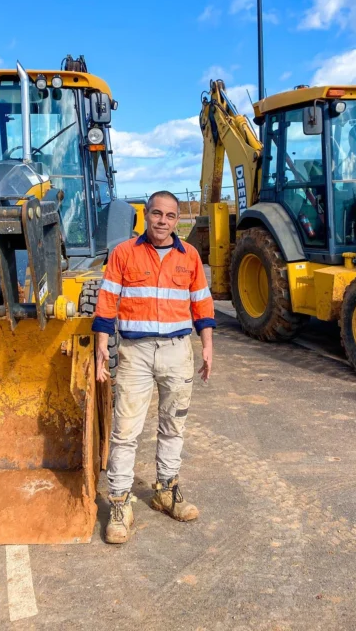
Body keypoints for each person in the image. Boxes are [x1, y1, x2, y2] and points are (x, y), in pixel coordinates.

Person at [92, 191, 216, 544]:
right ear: (145, 215)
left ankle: (166, 490)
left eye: (171, 216)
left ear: (178, 220)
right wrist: (102, 344)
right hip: (136, 354)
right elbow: (107, 299)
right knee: (126, 430)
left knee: (173, 425)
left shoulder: (188, 256)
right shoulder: (124, 253)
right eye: (157, 214)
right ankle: (119, 503)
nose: (163, 221)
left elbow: (202, 303)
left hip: (178, 352)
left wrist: (207, 346)